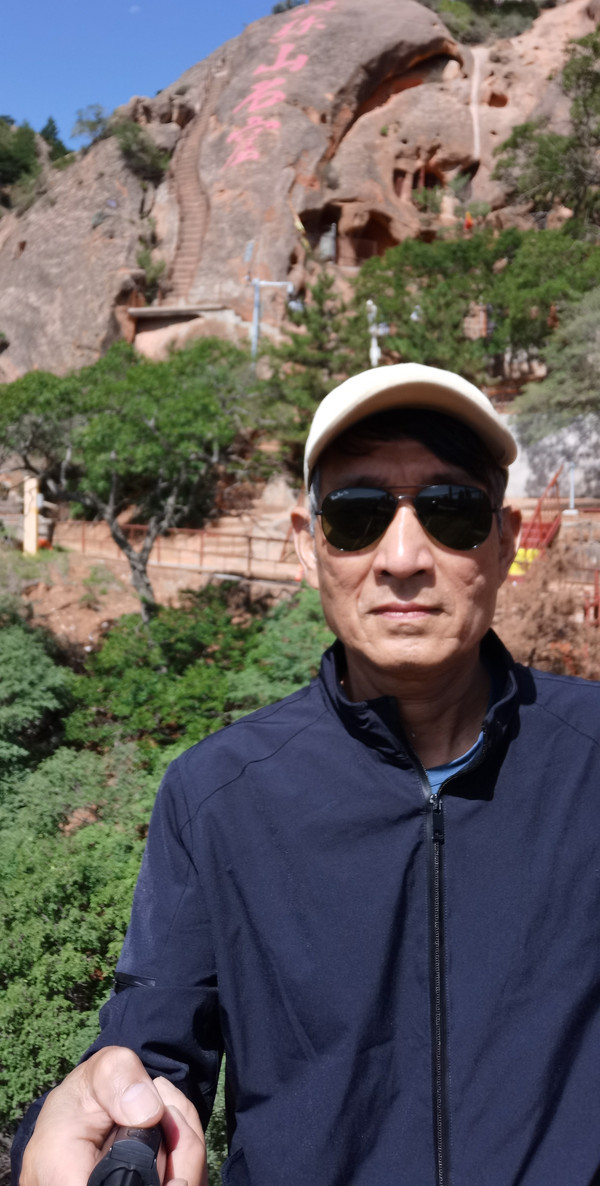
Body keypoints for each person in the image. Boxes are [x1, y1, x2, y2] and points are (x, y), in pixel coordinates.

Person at [13, 363, 600, 1186]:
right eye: (357, 516)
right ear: (305, 544)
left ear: (505, 540)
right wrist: (91, 1125)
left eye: (451, 511)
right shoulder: (217, 796)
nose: (403, 558)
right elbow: (151, 1053)